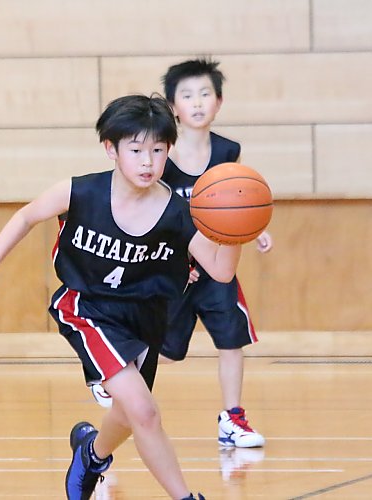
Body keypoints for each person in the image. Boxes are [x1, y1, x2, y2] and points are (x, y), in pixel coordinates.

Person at [0, 94, 243, 500]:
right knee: (145, 412)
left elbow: (221, 271)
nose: (148, 162)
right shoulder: (80, 192)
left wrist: (236, 231)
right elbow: (26, 216)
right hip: (88, 308)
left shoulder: (178, 213)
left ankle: (91, 454)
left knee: (128, 416)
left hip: (146, 317)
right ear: (111, 149)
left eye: (158, 151)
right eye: (136, 150)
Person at [91, 59, 272, 449]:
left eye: (206, 94)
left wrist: (254, 228)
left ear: (219, 102)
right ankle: (115, 370)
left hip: (215, 265)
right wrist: (174, 261)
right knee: (169, 351)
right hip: (173, 272)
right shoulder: (160, 158)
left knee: (231, 340)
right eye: (188, 95)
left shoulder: (227, 151)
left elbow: (236, 202)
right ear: (173, 106)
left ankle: (232, 417)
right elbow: (152, 214)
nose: (198, 102)